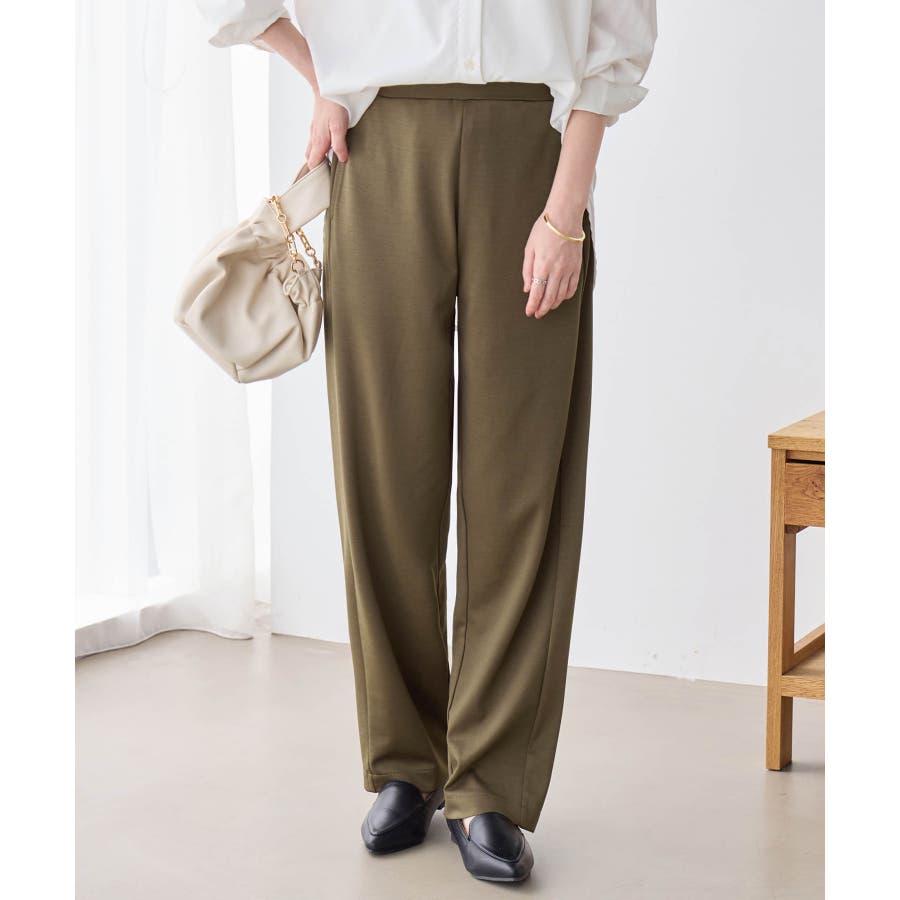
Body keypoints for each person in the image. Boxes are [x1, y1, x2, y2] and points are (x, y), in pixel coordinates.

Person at [198, 0, 656, 884]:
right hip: (379, 152)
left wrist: (567, 208)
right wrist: (326, 80)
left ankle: (490, 785)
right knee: (385, 474)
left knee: (522, 482)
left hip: (532, 150)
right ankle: (404, 763)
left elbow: (618, 32)